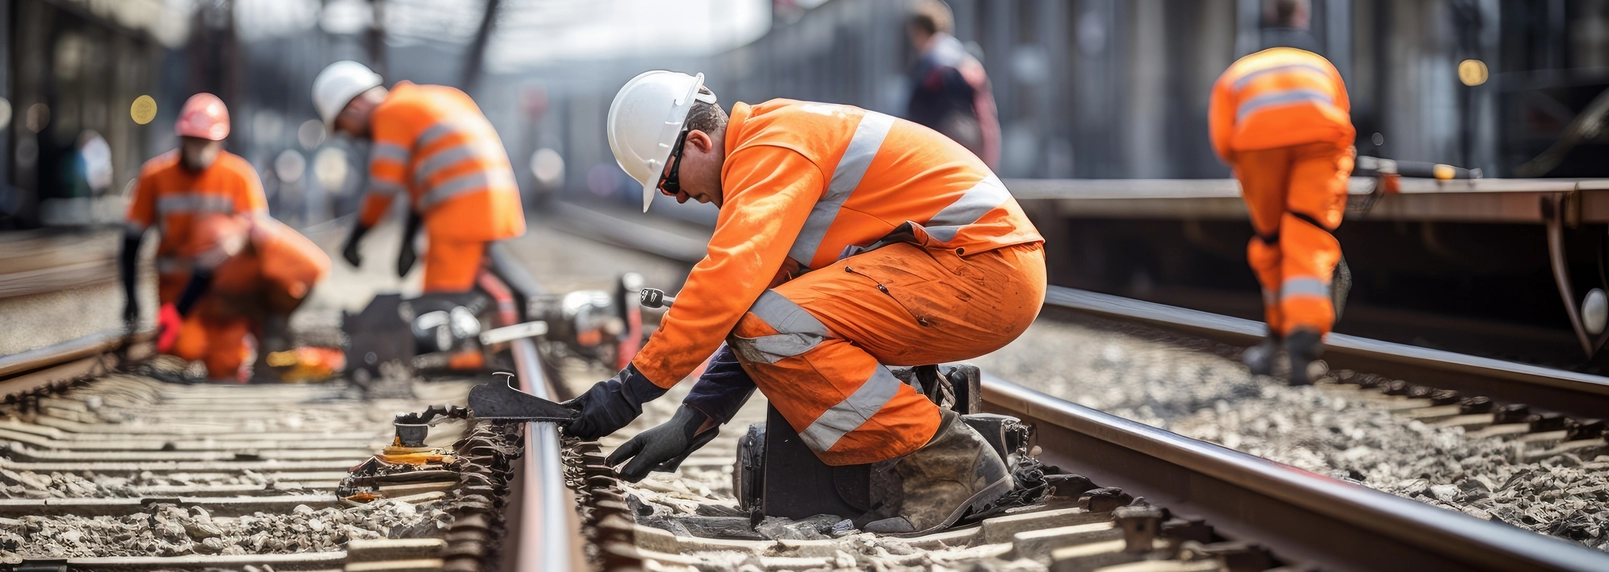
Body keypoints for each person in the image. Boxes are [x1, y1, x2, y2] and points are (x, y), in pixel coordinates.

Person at [566, 71, 1046, 535]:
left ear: (698, 143)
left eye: (669, 183)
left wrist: (629, 392)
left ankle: (952, 468)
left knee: (770, 322)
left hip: (983, 269)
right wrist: (695, 418)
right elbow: (757, 310)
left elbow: (728, 287)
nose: (681, 198)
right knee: (773, 319)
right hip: (975, 266)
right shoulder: (774, 144)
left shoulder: (771, 149)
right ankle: (938, 463)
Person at [1209, 0, 1354, 385]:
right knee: (1306, 234)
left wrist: (1245, 164)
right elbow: (1343, 124)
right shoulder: (1321, 66)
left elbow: (1223, 138)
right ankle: (1302, 343)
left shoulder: (1238, 73)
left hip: (1258, 149)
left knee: (1272, 242)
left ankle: (1276, 339)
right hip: (1320, 143)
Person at [311, 61, 526, 294]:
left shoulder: (390, 113)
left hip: (459, 214)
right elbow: (421, 184)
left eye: (344, 127)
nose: (351, 136)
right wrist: (408, 242)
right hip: (495, 201)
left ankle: (552, 319)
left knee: (440, 303)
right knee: (493, 281)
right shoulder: (435, 99)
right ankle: (543, 314)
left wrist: (356, 238)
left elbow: (384, 187)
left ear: (354, 107)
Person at [121, 93, 272, 382]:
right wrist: (130, 297)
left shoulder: (238, 175)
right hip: (176, 292)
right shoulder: (156, 176)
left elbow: (258, 234)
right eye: (194, 139)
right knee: (180, 356)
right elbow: (131, 241)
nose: (199, 147)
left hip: (223, 295)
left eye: (206, 140)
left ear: (219, 140)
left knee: (227, 363)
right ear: (181, 137)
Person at [904, 0, 999, 169]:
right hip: (972, 140)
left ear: (918, 31)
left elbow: (920, 111)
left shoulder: (931, 60)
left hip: (944, 143)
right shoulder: (963, 57)